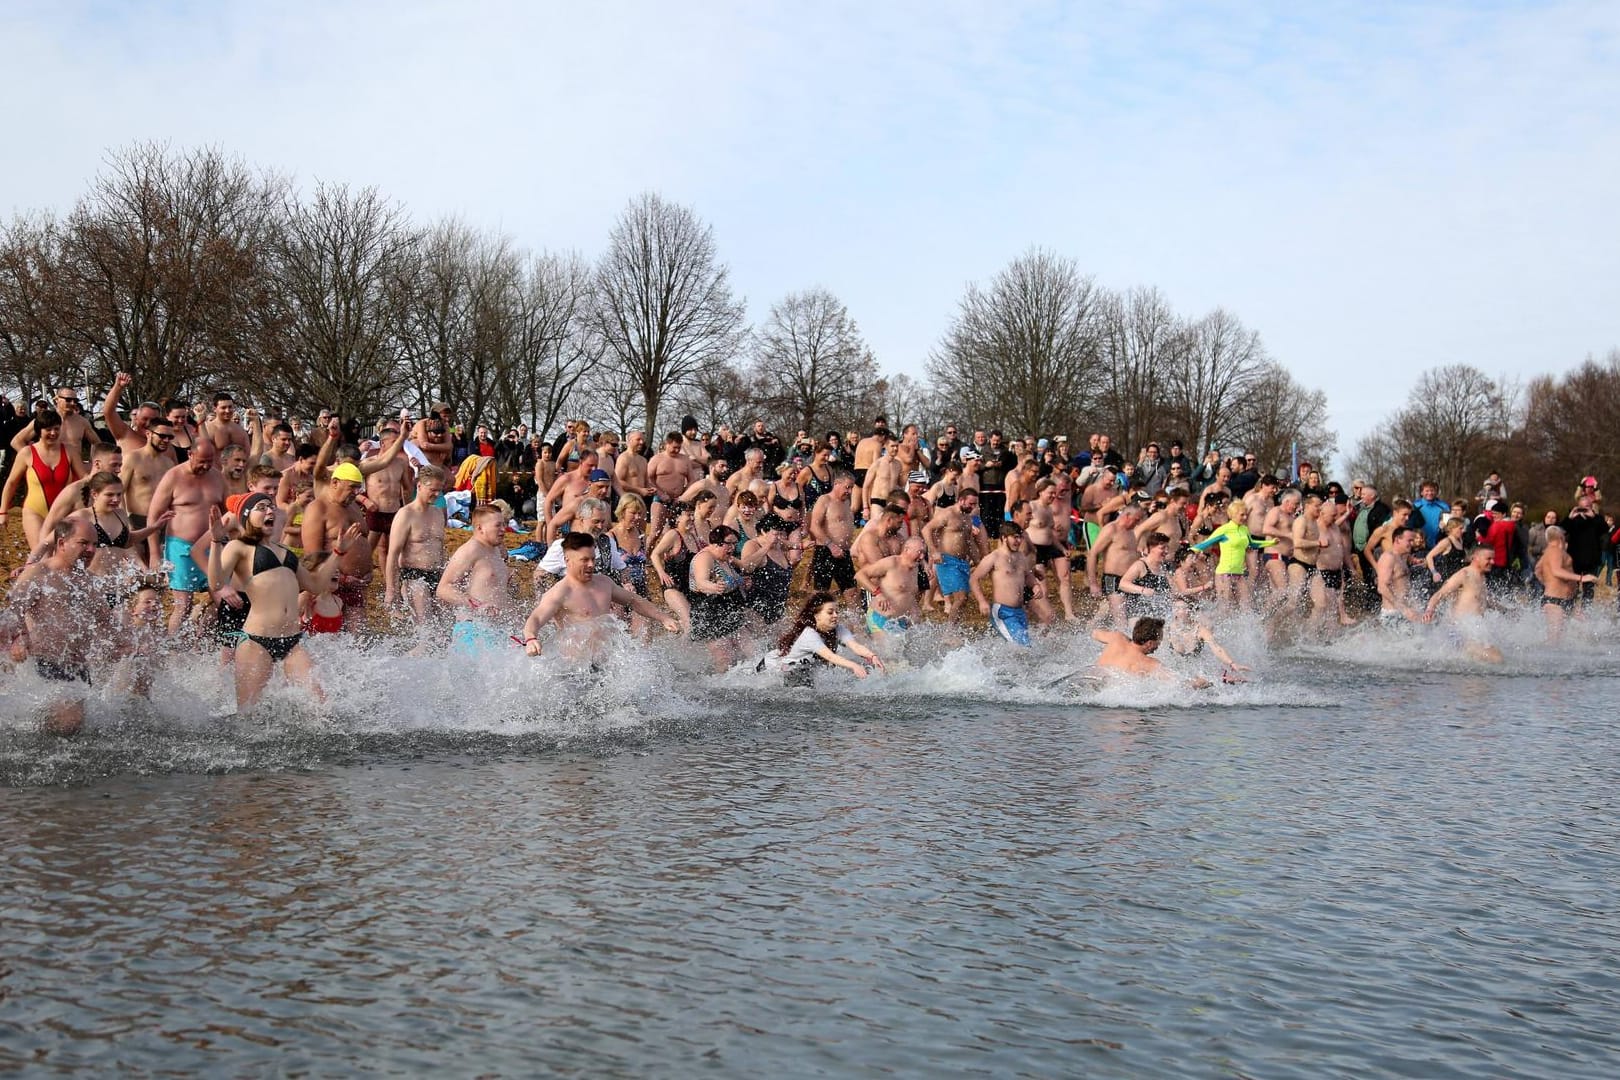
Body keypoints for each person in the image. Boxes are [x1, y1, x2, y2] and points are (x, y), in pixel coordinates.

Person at [204, 494, 326, 711]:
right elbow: (216, 583)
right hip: (255, 640)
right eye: (262, 507)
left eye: (271, 507)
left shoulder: (284, 551)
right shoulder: (237, 546)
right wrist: (215, 542)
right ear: (247, 517)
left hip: (291, 640)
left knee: (320, 706)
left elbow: (315, 586)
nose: (270, 511)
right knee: (249, 714)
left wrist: (338, 553)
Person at [2, 518, 108, 734]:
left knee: (79, 729)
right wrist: (19, 638)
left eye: (94, 544)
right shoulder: (39, 574)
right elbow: (13, 611)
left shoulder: (89, 581)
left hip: (79, 671)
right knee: (70, 720)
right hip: (45, 665)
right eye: (84, 543)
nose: (91, 550)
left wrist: (134, 646)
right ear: (61, 543)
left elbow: (107, 623)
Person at [520, 532, 679, 664]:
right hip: (576, 670)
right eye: (584, 560)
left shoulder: (604, 582)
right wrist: (531, 638)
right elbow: (536, 618)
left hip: (607, 664)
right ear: (567, 561)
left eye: (593, 559)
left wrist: (663, 618)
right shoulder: (560, 592)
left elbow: (634, 600)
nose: (591, 565)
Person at [147, 439, 227, 636]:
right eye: (201, 461)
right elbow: (153, 516)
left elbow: (228, 513)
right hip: (179, 547)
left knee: (222, 599)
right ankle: (172, 650)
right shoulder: (173, 476)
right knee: (184, 604)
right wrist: (154, 554)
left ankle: (209, 641)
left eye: (209, 461)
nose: (206, 466)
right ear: (190, 454)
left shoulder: (217, 477)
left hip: (210, 546)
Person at [436, 504, 516, 656]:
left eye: (504, 524)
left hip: (497, 629)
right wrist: (477, 605)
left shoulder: (497, 549)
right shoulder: (470, 550)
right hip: (473, 630)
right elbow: (443, 589)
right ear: (480, 528)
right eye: (498, 525)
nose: (503, 529)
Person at [1, 409, 83, 549]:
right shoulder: (26, 453)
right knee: (41, 555)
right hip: (35, 511)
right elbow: (11, 483)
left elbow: (84, 479)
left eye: (56, 429)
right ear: (39, 430)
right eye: (48, 429)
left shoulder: (70, 450)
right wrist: (3, 511)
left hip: (63, 511)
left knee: (64, 557)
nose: (53, 433)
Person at [384, 465, 449, 622]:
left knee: (444, 628)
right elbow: (392, 554)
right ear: (419, 485)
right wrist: (391, 590)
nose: (437, 494)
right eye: (433, 489)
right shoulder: (406, 514)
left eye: (439, 490)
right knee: (425, 627)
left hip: (437, 575)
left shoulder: (438, 513)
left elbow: (439, 547)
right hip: (413, 576)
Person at [1423, 546, 1504, 663]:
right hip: (1460, 631)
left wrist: (1507, 611)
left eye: (1493, 559)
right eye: (1489, 559)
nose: (1492, 562)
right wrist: (1429, 610)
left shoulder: (1481, 576)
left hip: (1473, 630)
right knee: (1496, 658)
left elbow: (1485, 601)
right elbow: (1439, 593)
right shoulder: (1464, 574)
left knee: (1497, 656)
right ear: (1476, 558)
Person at [970, 522, 1043, 646]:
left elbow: (1027, 575)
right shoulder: (994, 557)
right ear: (1004, 538)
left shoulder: (1020, 557)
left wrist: (1035, 585)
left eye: (1020, 537)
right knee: (1024, 646)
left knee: (1018, 647)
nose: (1018, 541)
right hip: (1003, 612)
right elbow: (974, 579)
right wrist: (982, 601)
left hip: (1020, 611)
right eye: (1015, 537)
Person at [688, 525, 749, 671]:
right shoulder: (705, 557)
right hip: (708, 614)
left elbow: (744, 570)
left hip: (728, 612)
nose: (733, 547)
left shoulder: (726, 558)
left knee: (750, 650)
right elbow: (701, 582)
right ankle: (715, 689)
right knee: (724, 658)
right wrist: (714, 587)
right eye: (729, 543)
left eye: (735, 543)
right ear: (716, 543)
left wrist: (742, 581)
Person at [1532, 526, 1594, 642]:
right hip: (1555, 602)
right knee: (1554, 640)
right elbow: (1556, 571)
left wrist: (1548, 583)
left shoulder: (1548, 552)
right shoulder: (1555, 551)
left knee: (1587, 631)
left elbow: (1537, 570)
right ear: (1561, 537)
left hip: (1566, 601)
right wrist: (1582, 578)